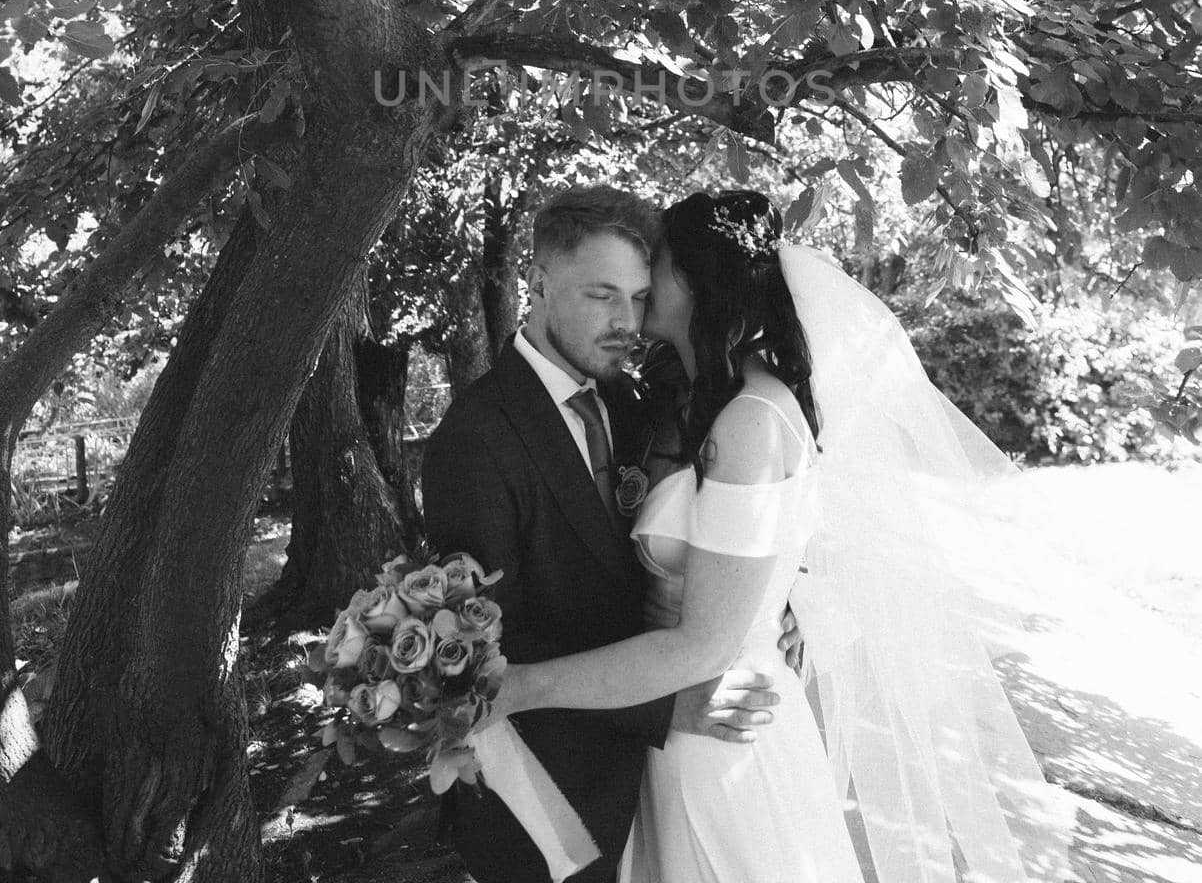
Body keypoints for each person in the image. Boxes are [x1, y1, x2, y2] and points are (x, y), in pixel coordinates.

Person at [490, 189, 1066, 883]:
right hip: (661, 739)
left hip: (726, 740)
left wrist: (520, 687)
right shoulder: (674, 397)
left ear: (700, 281)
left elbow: (705, 638)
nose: (641, 291)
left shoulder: (752, 422)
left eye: (657, 270)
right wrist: (793, 590)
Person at [421, 186, 789, 883]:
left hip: (658, 784)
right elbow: (485, 649)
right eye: (601, 296)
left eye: (640, 296)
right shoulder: (474, 440)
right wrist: (666, 703)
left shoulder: (637, 402)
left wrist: (774, 604)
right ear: (535, 283)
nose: (627, 322)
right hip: (550, 794)